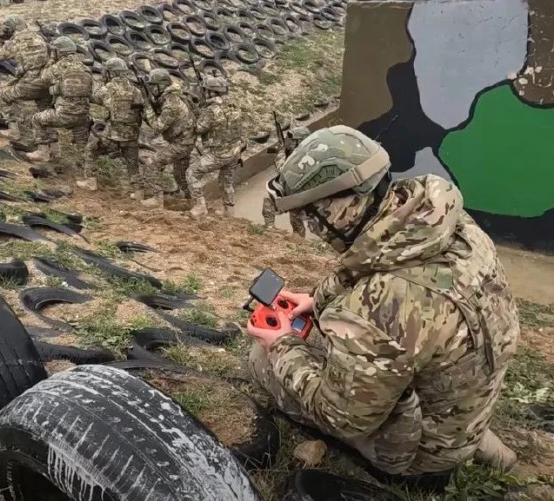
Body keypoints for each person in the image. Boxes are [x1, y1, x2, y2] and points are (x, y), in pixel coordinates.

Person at [248, 125, 520, 486]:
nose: (313, 226)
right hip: (464, 402)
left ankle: (432, 460)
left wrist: (280, 345)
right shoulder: (441, 224)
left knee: (260, 356)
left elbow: (340, 416)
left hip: (421, 457)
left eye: (314, 214)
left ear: (341, 205)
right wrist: (319, 298)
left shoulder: (380, 306)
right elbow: (372, 261)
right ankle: (475, 441)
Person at [76, 58, 143, 192]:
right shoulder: (136, 91)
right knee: (132, 164)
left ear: (111, 73)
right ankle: (138, 192)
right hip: (131, 134)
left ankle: (90, 181)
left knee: (91, 150)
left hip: (112, 135)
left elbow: (95, 98)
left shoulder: (107, 89)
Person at [27, 36, 93, 163]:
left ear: (58, 52)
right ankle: (90, 177)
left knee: (37, 119)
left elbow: (44, 78)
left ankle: (43, 153)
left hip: (64, 115)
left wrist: (51, 59)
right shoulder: (85, 68)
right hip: (83, 116)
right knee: (83, 147)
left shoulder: (59, 67)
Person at [187, 75, 243, 218]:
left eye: (206, 91)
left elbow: (199, 129)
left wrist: (197, 113)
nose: (205, 93)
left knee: (192, 173)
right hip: (235, 151)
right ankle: (229, 210)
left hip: (219, 154)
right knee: (226, 181)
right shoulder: (233, 105)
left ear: (212, 92)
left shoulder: (211, 109)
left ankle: (200, 207)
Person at [140, 68, 196, 208]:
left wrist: (147, 109)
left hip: (181, 143)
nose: (152, 88)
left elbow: (157, 129)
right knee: (179, 173)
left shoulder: (171, 104)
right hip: (185, 141)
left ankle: (157, 199)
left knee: (153, 163)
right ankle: (191, 200)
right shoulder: (170, 98)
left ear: (163, 85)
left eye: (154, 85)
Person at [0, 17, 50, 144]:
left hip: (30, 84)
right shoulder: (38, 37)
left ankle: (14, 131)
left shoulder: (16, 40)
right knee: (45, 114)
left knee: (2, 96)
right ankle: (53, 149)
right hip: (46, 81)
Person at [262, 126, 310, 237]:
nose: (290, 142)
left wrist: (280, 154)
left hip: (301, 194)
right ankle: (270, 230)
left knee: (295, 214)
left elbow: (284, 172)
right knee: (269, 202)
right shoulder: (299, 152)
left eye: (293, 140)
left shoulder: (304, 155)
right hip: (293, 191)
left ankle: (298, 238)